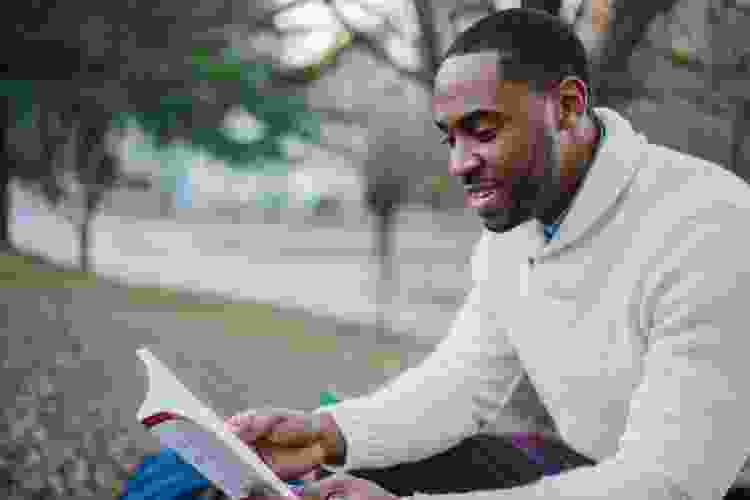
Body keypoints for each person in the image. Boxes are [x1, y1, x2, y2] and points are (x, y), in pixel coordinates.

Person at [228, 7, 750, 500]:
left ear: (567, 106)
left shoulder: (708, 225)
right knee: (347, 471)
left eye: (482, 131)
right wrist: (324, 435)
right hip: (595, 471)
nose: (459, 163)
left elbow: (671, 485)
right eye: (450, 138)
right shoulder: (514, 234)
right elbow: (459, 387)